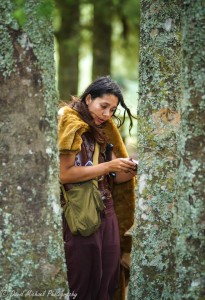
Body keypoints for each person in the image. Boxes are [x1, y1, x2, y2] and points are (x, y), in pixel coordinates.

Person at [58, 76, 137, 300]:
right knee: (83, 281)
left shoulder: (100, 128)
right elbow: (65, 174)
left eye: (112, 110)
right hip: (80, 210)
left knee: (109, 278)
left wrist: (129, 167)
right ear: (89, 98)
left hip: (107, 209)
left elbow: (116, 177)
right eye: (104, 107)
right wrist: (108, 166)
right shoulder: (70, 123)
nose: (107, 115)